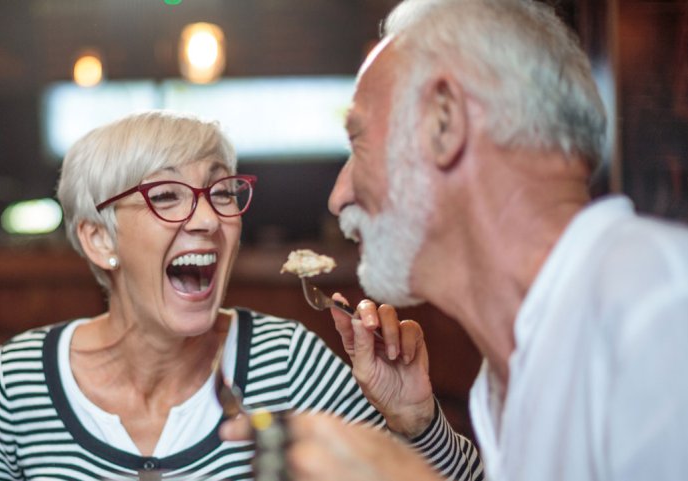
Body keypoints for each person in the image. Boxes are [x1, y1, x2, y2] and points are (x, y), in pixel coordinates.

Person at [221, 0, 688, 479]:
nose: (338, 197)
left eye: (358, 141)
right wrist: (419, 428)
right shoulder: (505, 374)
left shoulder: (658, 308)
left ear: (445, 122)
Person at [0, 110, 482, 480]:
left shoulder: (288, 365)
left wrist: (415, 422)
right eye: (166, 195)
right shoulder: (21, 382)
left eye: (221, 192)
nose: (210, 219)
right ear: (99, 239)